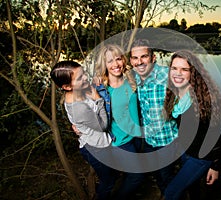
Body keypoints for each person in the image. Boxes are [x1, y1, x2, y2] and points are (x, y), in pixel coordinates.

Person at [163, 50, 221, 200]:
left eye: (184, 69)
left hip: (201, 157)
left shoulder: (204, 98)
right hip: (185, 152)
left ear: (193, 73)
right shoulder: (175, 93)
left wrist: (215, 166)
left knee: (171, 193)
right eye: (174, 68)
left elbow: (215, 134)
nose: (178, 73)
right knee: (192, 189)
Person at [50, 61, 114, 200]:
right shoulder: (78, 108)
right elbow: (103, 126)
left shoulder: (80, 90)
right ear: (66, 86)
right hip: (96, 148)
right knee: (108, 183)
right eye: (79, 78)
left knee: (109, 178)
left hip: (99, 145)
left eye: (84, 73)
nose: (85, 78)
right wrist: (98, 98)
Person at [93, 44, 144, 199]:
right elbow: (86, 108)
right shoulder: (101, 89)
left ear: (123, 60)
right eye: (110, 61)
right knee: (137, 175)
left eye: (118, 59)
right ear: (104, 65)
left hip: (136, 135)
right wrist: (77, 125)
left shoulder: (131, 78)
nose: (115, 64)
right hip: (119, 141)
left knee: (127, 174)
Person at [129, 39, 179, 195]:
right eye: (135, 58)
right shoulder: (134, 78)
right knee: (158, 175)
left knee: (167, 178)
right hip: (149, 141)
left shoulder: (168, 75)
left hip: (167, 140)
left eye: (144, 56)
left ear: (153, 57)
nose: (139, 62)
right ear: (131, 61)